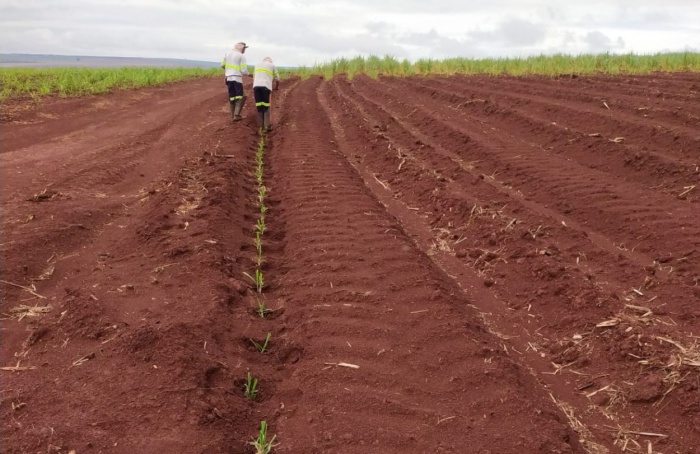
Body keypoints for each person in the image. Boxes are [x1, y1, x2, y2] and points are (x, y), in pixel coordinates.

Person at [221, 42, 250, 121]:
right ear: (241, 48)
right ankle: (236, 115)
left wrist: (229, 71)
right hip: (237, 78)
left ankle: (233, 116)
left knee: (232, 97)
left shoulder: (227, 54)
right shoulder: (241, 56)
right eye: (244, 48)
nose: (244, 50)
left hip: (229, 78)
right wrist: (250, 74)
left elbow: (222, 65)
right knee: (242, 96)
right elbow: (244, 71)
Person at [252, 57, 280, 132]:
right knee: (266, 105)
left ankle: (261, 127)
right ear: (271, 61)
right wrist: (276, 87)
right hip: (266, 87)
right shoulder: (272, 65)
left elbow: (254, 77)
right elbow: (277, 79)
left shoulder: (257, 64)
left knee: (259, 105)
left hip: (256, 87)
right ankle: (267, 126)